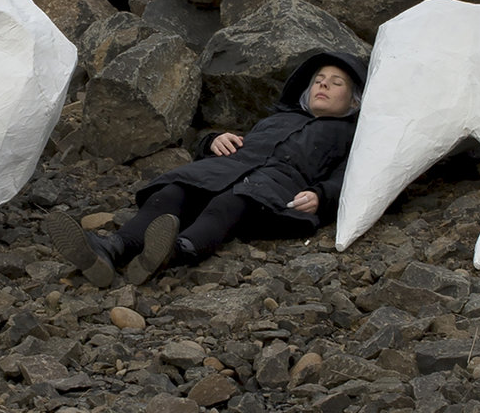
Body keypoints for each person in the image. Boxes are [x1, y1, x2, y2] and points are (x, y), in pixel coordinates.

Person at [46, 52, 365, 286]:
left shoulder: (349, 133)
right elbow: (223, 140)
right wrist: (213, 140)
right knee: (177, 190)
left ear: (353, 102)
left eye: (336, 83)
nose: (323, 85)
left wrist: (321, 196)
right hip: (227, 168)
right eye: (318, 81)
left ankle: (174, 251)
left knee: (231, 203)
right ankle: (113, 248)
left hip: (275, 187)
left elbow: (348, 174)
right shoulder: (278, 117)